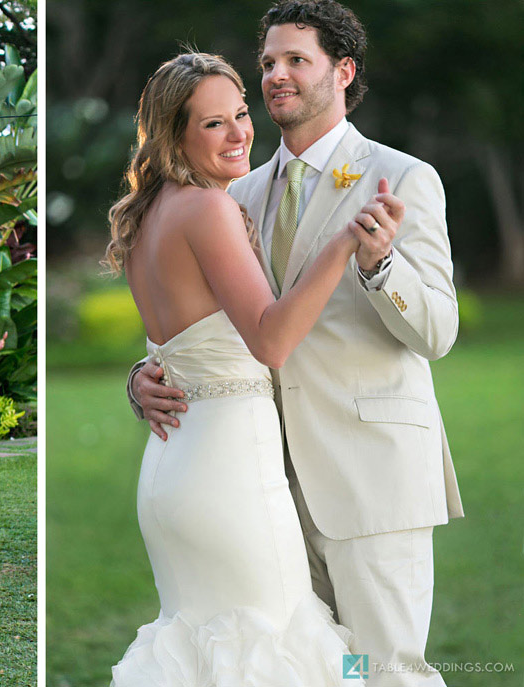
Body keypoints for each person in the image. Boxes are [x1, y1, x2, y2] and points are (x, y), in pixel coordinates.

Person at [128, 2, 463, 685]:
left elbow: (437, 332)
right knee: (313, 669)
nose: (276, 75)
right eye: (268, 63)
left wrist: (378, 266)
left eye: (295, 60)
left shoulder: (399, 177)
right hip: (258, 486)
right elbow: (204, 321)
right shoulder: (234, 189)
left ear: (342, 71)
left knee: (381, 671)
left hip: (366, 478)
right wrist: (144, 373)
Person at [106, 50, 363, 685]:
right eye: (214, 123)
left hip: (170, 469)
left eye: (242, 115)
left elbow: (174, 341)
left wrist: (138, 380)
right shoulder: (208, 208)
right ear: (175, 134)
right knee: (275, 645)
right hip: (231, 470)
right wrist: (344, 243)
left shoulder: (145, 217)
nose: (241, 133)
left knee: (204, 652)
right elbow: (270, 340)